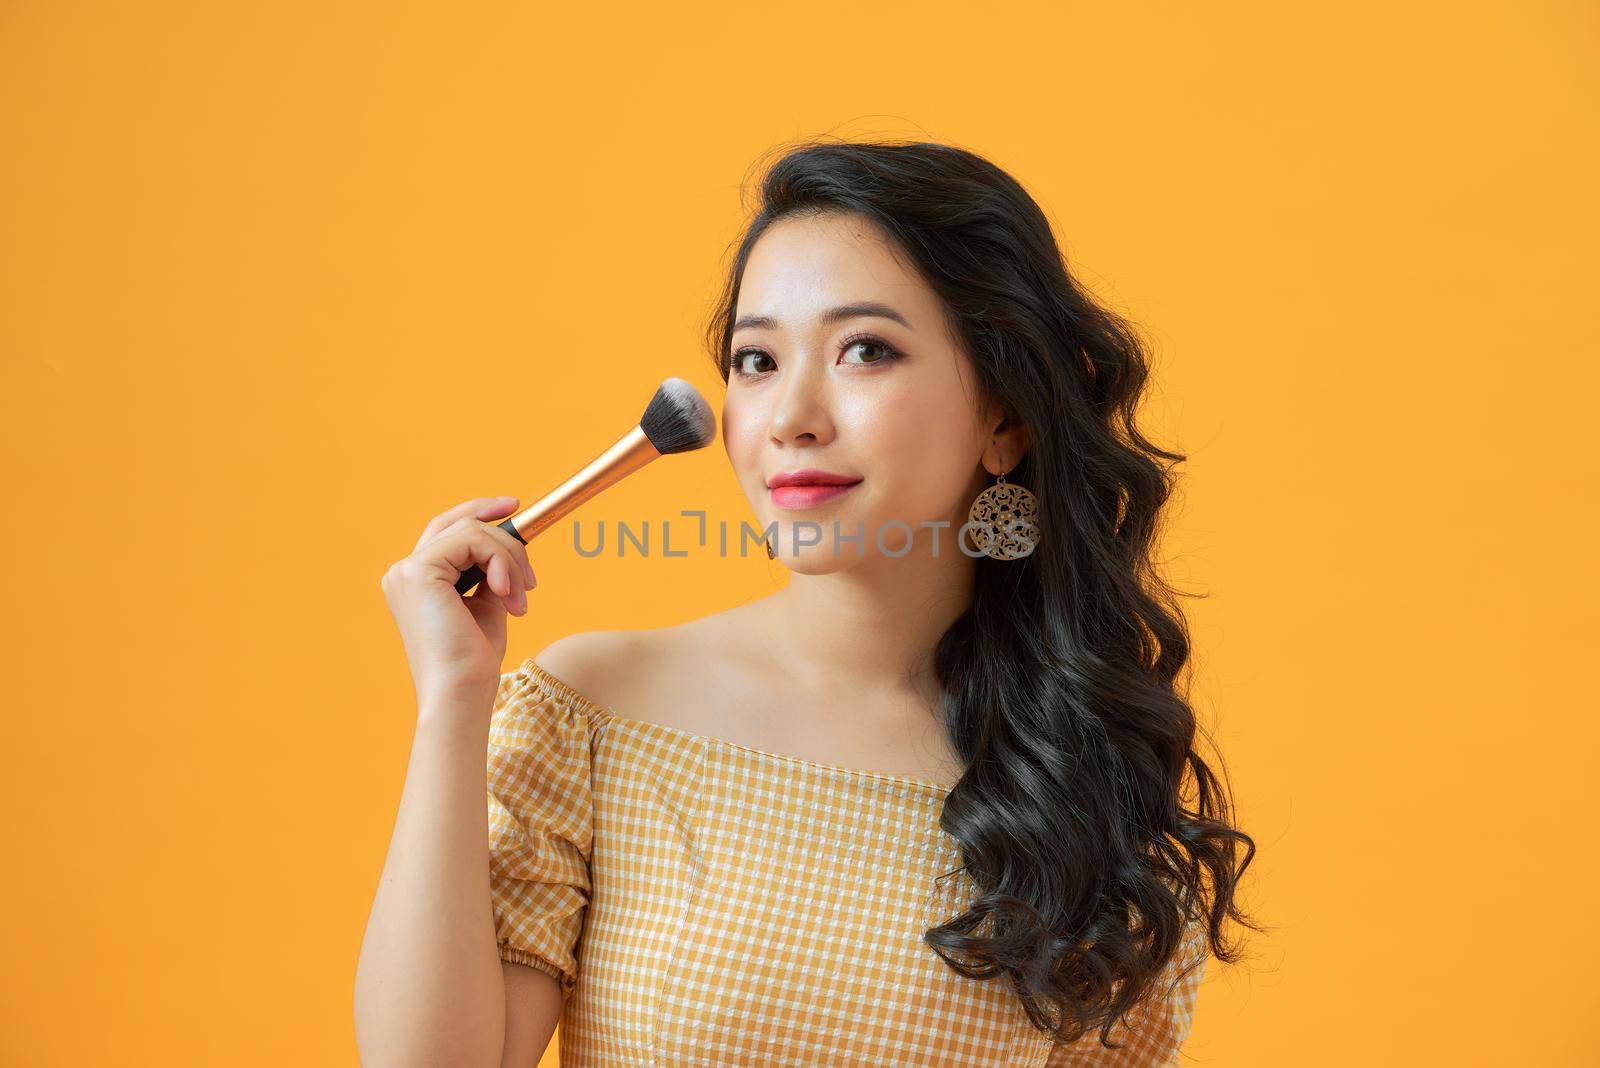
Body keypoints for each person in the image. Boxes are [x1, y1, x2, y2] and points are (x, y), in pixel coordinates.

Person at [354, 140, 1258, 1067]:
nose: (792, 415)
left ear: (1004, 420)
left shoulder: (1085, 783)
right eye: (756, 360)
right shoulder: (591, 710)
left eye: (865, 350)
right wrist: (452, 706)